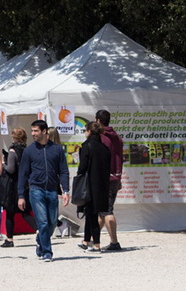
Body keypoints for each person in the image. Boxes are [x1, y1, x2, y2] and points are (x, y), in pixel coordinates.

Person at [18, 119, 70, 262]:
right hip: (36, 190)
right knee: (43, 222)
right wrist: (21, 195)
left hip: (52, 190)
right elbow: (23, 174)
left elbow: (63, 171)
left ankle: (40, 240)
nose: (33, 133)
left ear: (44, 131)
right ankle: (47, 252)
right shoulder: (29, 151)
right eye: (32, 131)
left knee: (52, 222)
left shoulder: (57, 149)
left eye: (36, 131)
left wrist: (66, 190)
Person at [76, 121, 112, 252]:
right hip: (102, 184)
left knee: (92, 215)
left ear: (89, 132)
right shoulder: (105, 148)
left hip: (89, 184)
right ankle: (86, 241)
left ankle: (96, 244)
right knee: (91, 213)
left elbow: (83, 167)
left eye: (85, 130)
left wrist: (79, 176)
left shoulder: (87, 146)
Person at [0, 127, 36, 248]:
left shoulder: (12, 151)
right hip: (25, 184)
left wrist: (3, 163)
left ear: (13, 137)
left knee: (10, 213)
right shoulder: (28, 150)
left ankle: (9, 239)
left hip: (13, 185)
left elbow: (11, 169)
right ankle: (40, 230)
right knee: (25, 212)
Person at [96, 109, 124, 251]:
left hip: (104, 178)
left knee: (107, 211)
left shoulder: (101, 138)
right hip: (115, 177)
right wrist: (119, 178)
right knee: (103, 211)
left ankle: (114, 242)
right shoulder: (117, 138)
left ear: (98, 121)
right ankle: (91, 239)